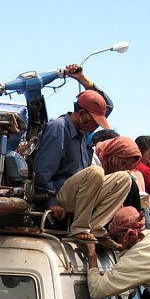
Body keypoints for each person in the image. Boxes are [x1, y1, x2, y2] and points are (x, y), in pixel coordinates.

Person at [33, 72, 132, 248]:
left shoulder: (83, 132)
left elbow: (107, 105)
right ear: (82, 113)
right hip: (62, 192)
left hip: (83, 192)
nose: (96, 126)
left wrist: (84, 80)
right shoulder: (59, 128)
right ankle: (79, 228)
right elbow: (42, 171)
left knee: (123, 179)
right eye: (94, 120)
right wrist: (52, 202)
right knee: (96, 171)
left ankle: (96, 228)